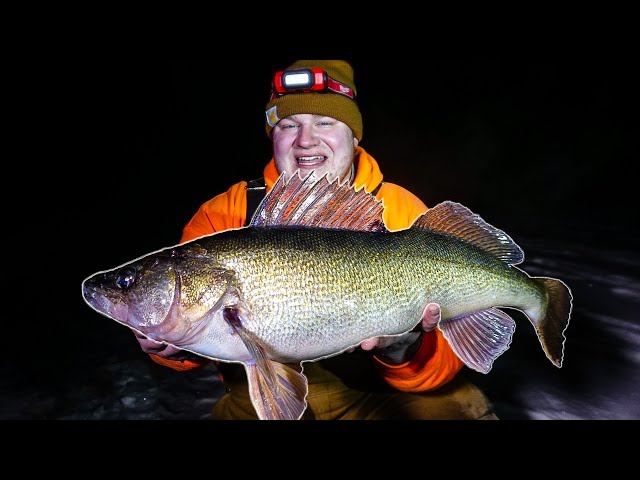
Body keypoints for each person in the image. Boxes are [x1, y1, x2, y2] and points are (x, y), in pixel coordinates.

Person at [134, 60, 499, 420]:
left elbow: (443, 366)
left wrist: (404, 348)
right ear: (272, 137)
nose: (305, 140)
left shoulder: (403, 210)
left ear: (354, 135)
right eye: (288, 125)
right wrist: (172, 347)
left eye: (325, 122)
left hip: (374, 396)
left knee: (458, 409)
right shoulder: (223, 214)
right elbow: (185, 332)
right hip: (258, 398)